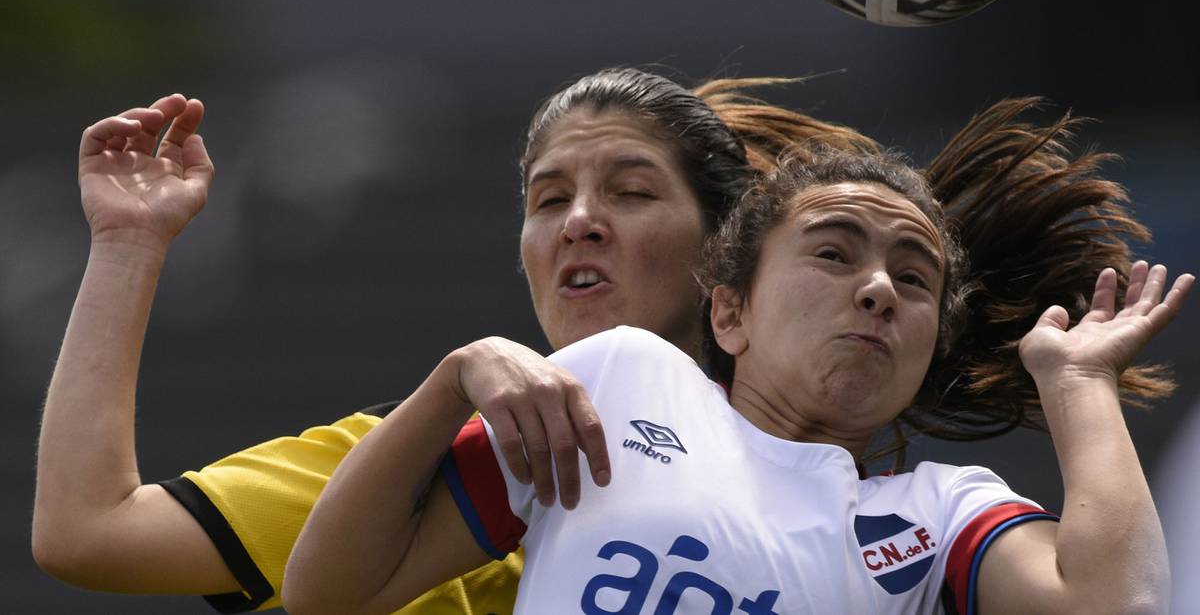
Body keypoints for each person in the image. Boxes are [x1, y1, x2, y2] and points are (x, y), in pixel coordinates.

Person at [32, 68, 880, 613]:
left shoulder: (838, 503)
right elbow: (89, 532)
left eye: (629, 191)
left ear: (721, 246)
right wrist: (129, 243)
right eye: (548, 201)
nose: (579, 222)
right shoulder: (418, 461)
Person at [283, 146, 1192, 615]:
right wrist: (452, 380)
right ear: (729, 313)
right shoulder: (621, 379)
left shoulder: (943, 517)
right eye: (833, 253)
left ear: (922, 347)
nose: (878, 287)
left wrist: (1079, 384)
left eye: (914, 278)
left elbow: (1115, 606)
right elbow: (327, 594)